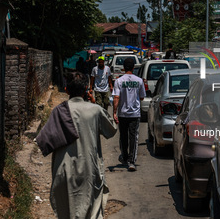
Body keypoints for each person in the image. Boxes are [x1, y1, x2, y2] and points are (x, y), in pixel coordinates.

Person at [36, 72, 117, 219]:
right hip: (89, 169)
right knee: (91, 211)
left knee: (66, 212)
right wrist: (95, 103)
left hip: (63, 171)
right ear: (86, 89)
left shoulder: (58, 111)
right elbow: (111, 130)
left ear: (66, 90)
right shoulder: (95, 110)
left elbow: (45, 141)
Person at [112, 57, 146, 171]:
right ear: (133, 68)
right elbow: (142, 97)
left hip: (122, 114)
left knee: (123, 137)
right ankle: (131, 161)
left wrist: (114, 112)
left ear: (123, 68)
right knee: (133, 137)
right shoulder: (139, 80)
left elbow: (116, 97)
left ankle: (125, 157)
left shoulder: (119, 81)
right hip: (135, 114)